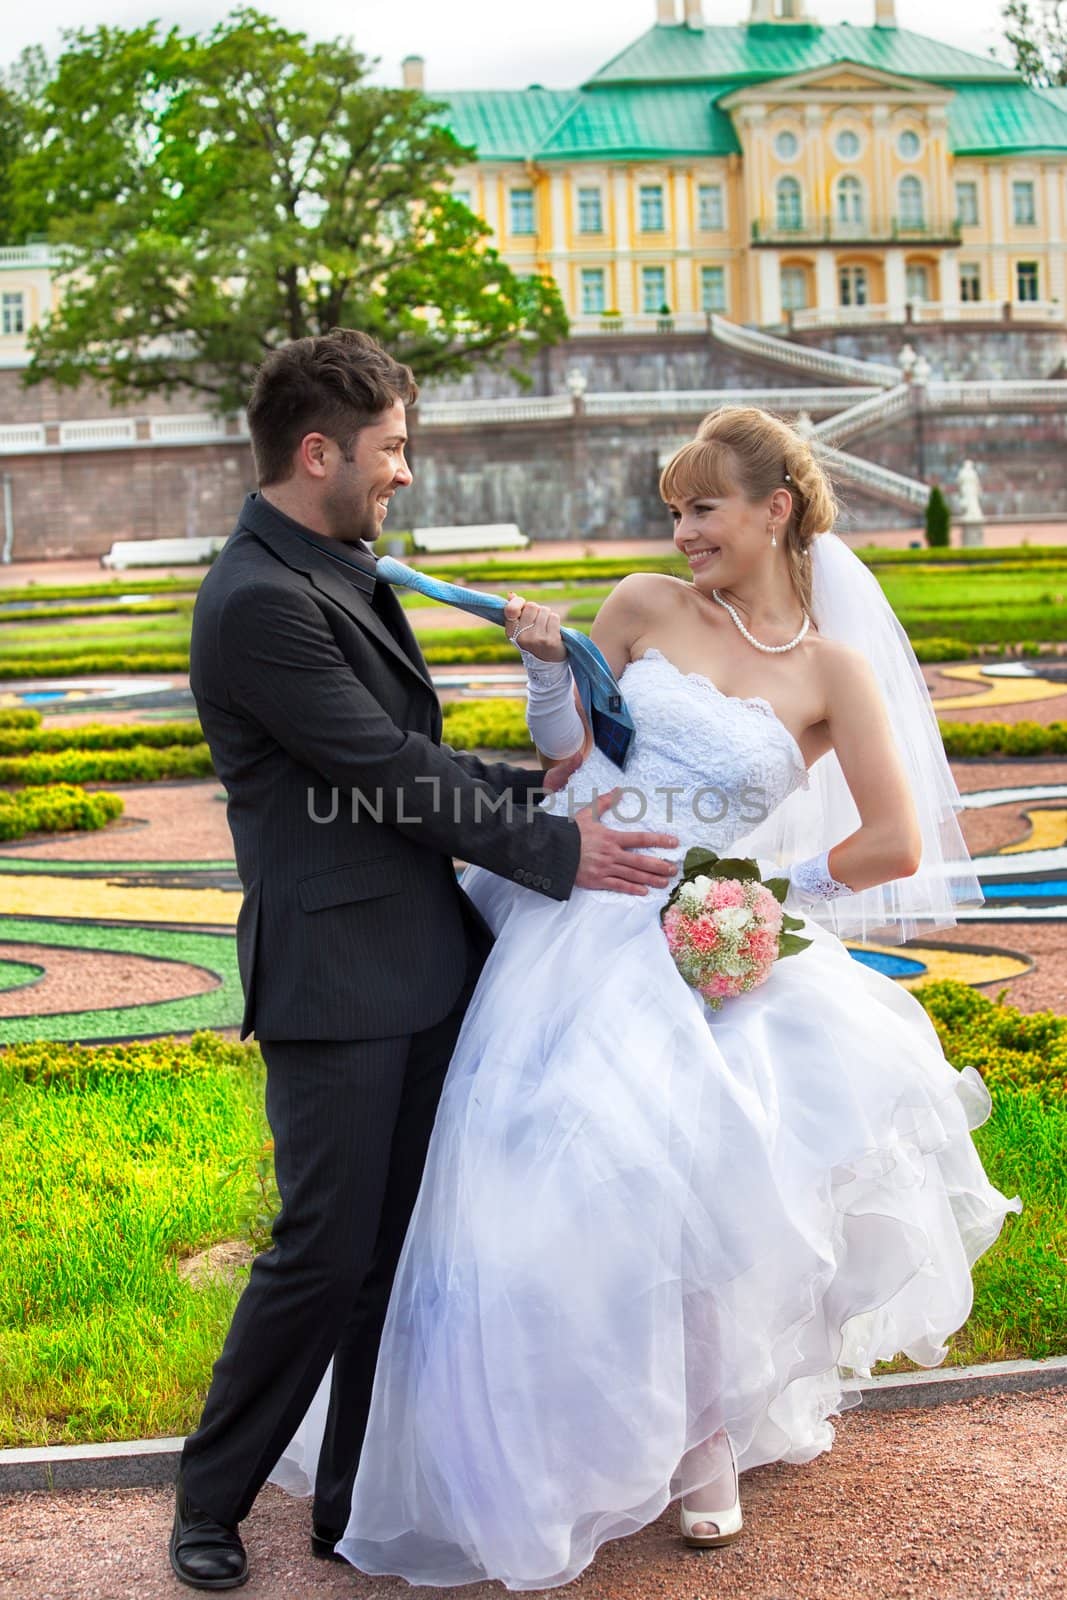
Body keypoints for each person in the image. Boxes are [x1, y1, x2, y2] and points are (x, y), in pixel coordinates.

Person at [272, 405, 1023, 1590]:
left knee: (705, 1182)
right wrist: (540, 664)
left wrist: (761, 899)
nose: (681, 532)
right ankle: (519, 1432)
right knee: (535, 1183)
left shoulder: (832, 669)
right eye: (673, 510)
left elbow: (892, 836)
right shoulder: (639, 604)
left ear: (776, 509)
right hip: (574, 920)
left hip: (713, 939)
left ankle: (700, 1441)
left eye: (704, 508)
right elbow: (568, 760)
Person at [171, 329, 680, 1592]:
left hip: (424, 959)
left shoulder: (339, 567)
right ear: (317, 450)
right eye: (390, 447)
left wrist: (531, 790)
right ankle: (208, 1499)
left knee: (398, 1257)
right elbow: (383, 774)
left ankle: (350, 1498)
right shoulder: (257, 601)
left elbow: (418, 755)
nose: (402, 470)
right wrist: (558, 852)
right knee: (322, 1249)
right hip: (336, 980)